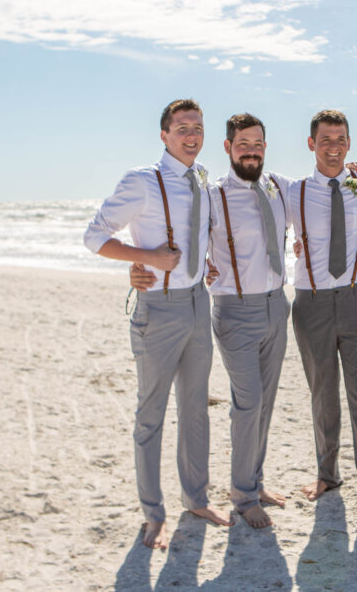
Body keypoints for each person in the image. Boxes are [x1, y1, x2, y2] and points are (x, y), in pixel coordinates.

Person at [83, 99, 231, 551]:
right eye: (182, 127)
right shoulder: (142, 181)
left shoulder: (203, 179)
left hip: (196, 304)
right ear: (164, 135)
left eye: (198, 127)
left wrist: (204, 265)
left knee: (195, 411)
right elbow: (94, 237)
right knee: (150, 417)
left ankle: (196, 499)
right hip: (158, 309)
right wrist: (144, 259)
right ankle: (153, 516)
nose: (191, 135)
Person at [130, 113, 291, 529]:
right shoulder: (212, 193)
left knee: (266, 403)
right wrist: (141, 264)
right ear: (228, 147)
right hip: (234, 310)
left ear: (265, 147)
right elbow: (184, 234)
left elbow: (324, 191)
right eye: (242, 143)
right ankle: (242, 495)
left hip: (278, 305)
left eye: (257, 142)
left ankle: (254, 482)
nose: (251, 150)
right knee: (248, 402)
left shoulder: (279, 187)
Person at [290, 109, 357, 516]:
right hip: (310, 302)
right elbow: (244, 220)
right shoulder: (290, 192)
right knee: (322, 395)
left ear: (350, 143)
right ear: (311, 144)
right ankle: (327, 474)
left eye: (341, 139)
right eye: (325, 140)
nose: (334, 147)